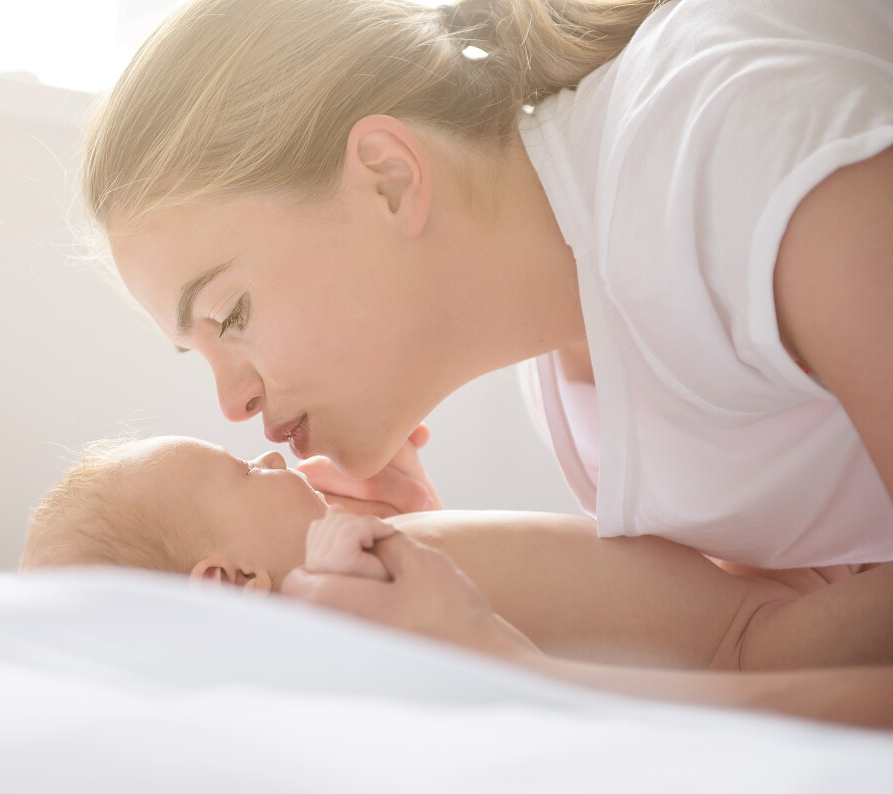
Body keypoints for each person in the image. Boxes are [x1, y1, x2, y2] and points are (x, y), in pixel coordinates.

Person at [77, 0, 892, 684]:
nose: (231, 402)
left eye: (233, 314)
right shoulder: (574, 376)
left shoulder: (726, 151)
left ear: (389, 180)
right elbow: (791, 630)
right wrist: (464, 588)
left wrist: (529, 673)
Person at [21, 435, 891, 672]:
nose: (276, 457)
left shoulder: (355, 586)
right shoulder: (324, 603)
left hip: (739, 582)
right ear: (228, 585)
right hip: (741, 642)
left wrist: (414, 511)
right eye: (245, 471)